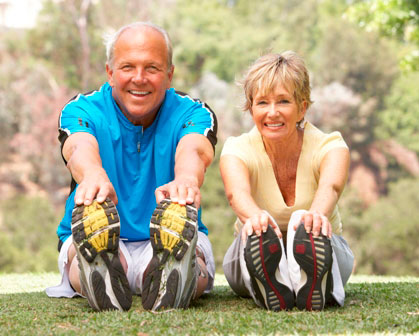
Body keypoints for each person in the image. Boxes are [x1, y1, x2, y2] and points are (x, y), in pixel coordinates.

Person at [45, 22, 217, 312]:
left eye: (152, 68)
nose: (139, 78)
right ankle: (98, 267)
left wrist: (186, 179)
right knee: (85, 255)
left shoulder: (193, 112)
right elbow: (78, 147)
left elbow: (195, 149)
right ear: (110, 72)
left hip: (171, 237)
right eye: (127, 67)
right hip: (105, 236)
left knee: (192, 259)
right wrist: (93, 175)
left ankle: (179, 272)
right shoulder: (82, 109)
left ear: (169, 74)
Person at [220, 51, 354, 311]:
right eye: (262, 103)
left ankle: (311, 273)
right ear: (250, 107)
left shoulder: (331, 145)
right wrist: (256, 217)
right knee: (256, 234)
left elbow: (331, 186)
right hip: (250, 245)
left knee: (302, 222)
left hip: (326, 245)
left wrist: (313, 217)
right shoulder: (237, 149)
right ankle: (274, 276)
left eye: (283, 101)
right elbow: (236, 194)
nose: (272, 113)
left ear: (302, 107)